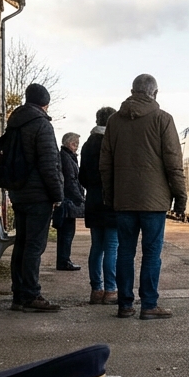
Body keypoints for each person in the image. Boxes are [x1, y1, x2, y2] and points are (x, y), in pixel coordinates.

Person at [100, 74, 187, 319]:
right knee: (151, 254)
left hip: (124, 200)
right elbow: (173, 163)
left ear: (132, 92)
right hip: (154, 202)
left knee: (125, 252)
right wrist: (180, 198)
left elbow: (105, 164)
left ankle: (125, 304)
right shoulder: (163, 119)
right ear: (155, 93)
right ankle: (149, 305)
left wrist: (111, 196)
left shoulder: (114, 122)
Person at [6, 83, 63, 312]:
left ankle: (18, 294)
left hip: (19, 192)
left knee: (21, 243)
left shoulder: (14, 123)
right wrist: (57, 194)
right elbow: (49, 164)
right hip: (38, 195)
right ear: (45, 104)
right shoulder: (41, 125)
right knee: (34, 246)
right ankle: (31, 295)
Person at [80, 107, 119, 305]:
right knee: (111, 247)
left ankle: (96, 290)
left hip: (93, 201)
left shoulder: (87, 144)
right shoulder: (112, 143)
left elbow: (82, 177)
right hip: (110, 201)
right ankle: (111, 290)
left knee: (96, 247)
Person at [54, 132, 83, 271]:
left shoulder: (67, 157)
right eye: (74, 143)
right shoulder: (66, 158)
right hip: (68, 201)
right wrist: (79, 198)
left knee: (67, 233)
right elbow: (70, 180)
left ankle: (64, 260)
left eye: (77, 144)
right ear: (67, 143)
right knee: (67, 232)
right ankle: (64, 261)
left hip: (67, 200)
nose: (76, 146)